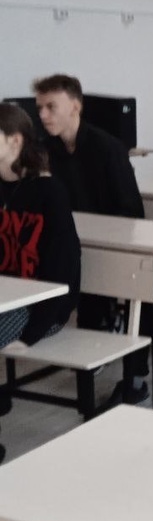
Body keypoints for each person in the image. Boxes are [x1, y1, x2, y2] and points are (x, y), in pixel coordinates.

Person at [33, 73, 152, 404]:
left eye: (51, 107)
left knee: (141, 292)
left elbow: (132, 211)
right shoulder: (44, 152)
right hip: (73, 246)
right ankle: (95, 337)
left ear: (75, 106)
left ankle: (136, 375)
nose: (43, 115)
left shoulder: (108, 148)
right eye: (39, 107)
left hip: (114, 245)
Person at [0, 104, 80, 350]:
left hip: (39, 309)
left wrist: (29, 336)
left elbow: (63, 271)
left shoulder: (49, 192)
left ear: (15, 141)